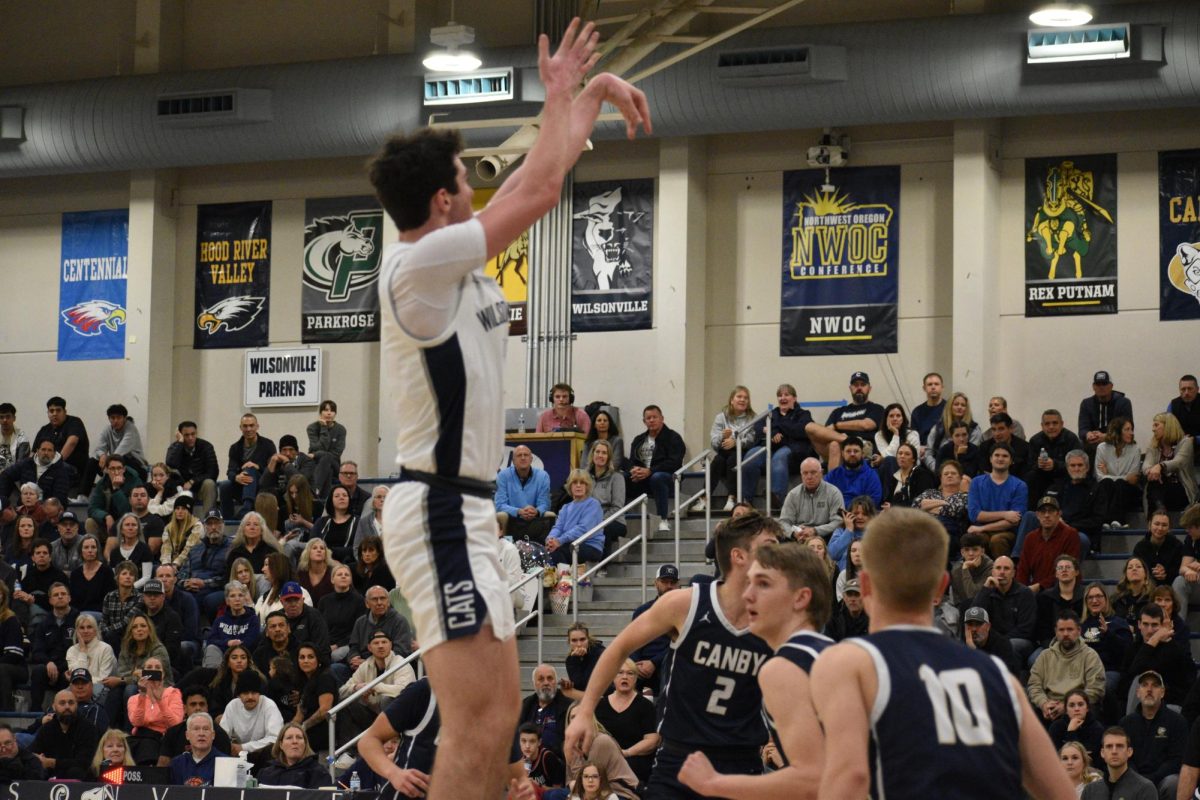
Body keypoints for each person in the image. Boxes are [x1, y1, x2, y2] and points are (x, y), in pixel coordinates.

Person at [371, 23, 648, 800]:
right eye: (466, 176)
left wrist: (585, 99)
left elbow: (539, 170)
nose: (477, 184)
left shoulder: (450, 252)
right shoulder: (418, 266)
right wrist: (562, 95)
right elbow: (539, 188)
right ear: (442, 199)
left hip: (469, 509)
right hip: (437, 506)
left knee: (498, 720)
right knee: (476, 725)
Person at [810, 507, 1075, 799]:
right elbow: (1062, 793)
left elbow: (850, 778)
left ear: (864, 585)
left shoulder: (849, 664)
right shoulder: (998, 677)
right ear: (942, 587)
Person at [565, 514, 779, 797]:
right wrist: (586, 711)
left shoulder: (776, 616)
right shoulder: (685, 603)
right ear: (739, 556)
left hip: (742, 759)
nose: (780, 554)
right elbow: (619, 648)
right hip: (681, 757)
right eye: (770, 546)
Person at [679, 541, 833, 800]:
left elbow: (812, 780)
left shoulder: (783, 668)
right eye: (748, 582)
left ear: (801, 598)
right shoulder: (831, 651)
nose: (747, 595)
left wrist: (714, 783)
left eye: (763, 584)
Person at [337, 629, 417, 747]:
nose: (380, 646)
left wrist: (376, 686)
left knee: (387, 699)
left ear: (391, 645)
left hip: (400, 719)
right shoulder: (366, 665)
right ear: (369, 647)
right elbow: (341, 691)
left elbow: (405, 691)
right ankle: (350, 751)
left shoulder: (401, 663)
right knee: (346, 701)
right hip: (374, 716)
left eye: (384, 642)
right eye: (376, 643)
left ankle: (394, 744)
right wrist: (356, 687)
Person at [1117, 670, 1186, 799]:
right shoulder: (1125, 723)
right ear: (1138, 692)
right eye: (1144, 685)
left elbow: (1176, 760)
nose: (1149, 689)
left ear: (1162, 692)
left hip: (1162, 781)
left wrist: (1151, 779)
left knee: (1173, 783)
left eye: (1155, 685)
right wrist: (1137, 779)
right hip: (1132, 780)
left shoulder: (1177, 721)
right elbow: (1123, 756)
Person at [1028, 610, 1106, 723]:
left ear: (1079, 631)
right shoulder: (1045, 656)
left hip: (1078, 710)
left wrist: (1067, 707)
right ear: (1055, 631)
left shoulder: (1090, 656)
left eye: (1070, 629)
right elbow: (1034, 685)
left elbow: (1096, 690)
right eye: (1061, 630)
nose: (1065, 634)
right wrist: (1043, 703)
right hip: (1049, 709)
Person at [592, 658, 658, 785]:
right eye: (620, 673)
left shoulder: (645, 706)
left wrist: (626, 753)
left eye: (630, 673)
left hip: (634, 762)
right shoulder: (600, 705)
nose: (625, 677)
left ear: (636, 678)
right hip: (604, 762)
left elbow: (652, 741)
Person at [626, 404, 687, 531]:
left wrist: (650, 471)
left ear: (662, 418)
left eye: (655, 417)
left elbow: (674, 463)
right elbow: (632, 461)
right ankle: (621, 518)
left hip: (667, 478)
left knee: (657, 477)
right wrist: (634, 471)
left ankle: (663, 519)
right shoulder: (639, 440)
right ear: (644, 421)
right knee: (622, 477)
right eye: (648, 418)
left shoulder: (673, 437)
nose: (652, 420)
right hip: (643, 479)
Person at [702, 385, 761, 510]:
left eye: (746, 398)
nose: (742, 400)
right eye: (739, 397)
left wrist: (736, 442)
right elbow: (714, 443)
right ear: (731, 400)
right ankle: (704, 497)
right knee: (718, 460)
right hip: (724, 453)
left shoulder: (754, 418)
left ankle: (732, 497)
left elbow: (752, 440)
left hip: (743, 453)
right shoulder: (721, 417)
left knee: (733, 458)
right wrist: (722, 437)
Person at [966, 444, 1029, 557]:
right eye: (997, 455)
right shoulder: (976, 482)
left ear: (1011, 461)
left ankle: (1004, 573)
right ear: (990, 459)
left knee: (997, 540)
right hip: (980, 530)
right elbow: (974, 515)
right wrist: (1005, 514)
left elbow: (1014, 520)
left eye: (1005, 456)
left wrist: (983, 527)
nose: (1000, 459)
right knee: (974, 539)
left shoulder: (1020, 486)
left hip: (1007, 532)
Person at [626, 564, 678, 695]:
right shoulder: (643, 610)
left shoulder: (683, 612)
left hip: (666, 662)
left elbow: (679, 644)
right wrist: (635, 665)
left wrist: (654, 663)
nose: (669, 586)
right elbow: (633, 642)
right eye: (664, 581)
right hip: (641, 662)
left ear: (678, 584)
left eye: (673, 582)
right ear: (656, 583)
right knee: (621, 674)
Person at [812, 371, 885, 460]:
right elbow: (827, 432)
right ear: (850, 388)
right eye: (855, 385)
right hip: (841, 451)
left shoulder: (877, 408)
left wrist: (837, 425)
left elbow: (866, 425)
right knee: (815, 432)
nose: (859, 388)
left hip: (865, 452)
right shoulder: (838, 412)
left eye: (863, 384)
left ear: (869, 388)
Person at [30, 688, 101, 779]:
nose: (67, 707)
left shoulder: (88, 728)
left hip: (79, 779)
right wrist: (37, 758)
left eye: (71, 703)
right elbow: (32, 751)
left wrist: (52, 763)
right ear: (54, 707)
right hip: (51, 776)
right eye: (62, 703)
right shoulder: (47, 728)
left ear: (76, 705)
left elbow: (83, 762)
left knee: (75, 771)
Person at [1017, 496, 1084, 593]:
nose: (1047, 515)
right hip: (1037, 592)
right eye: (1043, 512)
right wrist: (1021, 591)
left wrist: (1040, 586)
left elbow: (1069, 570)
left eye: (1051, 511)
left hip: (1064, 591)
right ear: (1037, 515)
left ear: (1059, 514)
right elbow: (1023, 570)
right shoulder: (1030, 538)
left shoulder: (1070, 535)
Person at [1080, 583, 1132, 703]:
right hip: (1084, 671)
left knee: (1101, 687)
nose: (1094, 600)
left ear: (1106, 599)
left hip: (1109, 670)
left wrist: (1108, 633)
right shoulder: (1081, 626)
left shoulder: (1118, 623)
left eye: (1099, 596)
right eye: (1090, 597)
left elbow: (1127, 651)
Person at [29, 582, 79, 708]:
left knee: (68, 675)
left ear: (69, 598)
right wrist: (48, 663)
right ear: (50, 600)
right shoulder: (44, 624)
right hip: (49, 668)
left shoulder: (79, 620)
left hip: (69, 667)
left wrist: (63, 667)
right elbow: (37, 652)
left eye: (63, 594)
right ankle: (35, 711)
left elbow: (82, 650)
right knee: (38, 671)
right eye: (56, 595)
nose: (60, 597)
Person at [218, 668, 283, 765]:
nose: (250, 697)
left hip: (263, 757)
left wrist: (244, 747)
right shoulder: (232, 706)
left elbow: (275, 738)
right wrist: (231, 747)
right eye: (245, 693)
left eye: (254, 693)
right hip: (239, 756)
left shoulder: (269, 705)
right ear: (239, 695)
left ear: (259, 693)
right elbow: (222, 736)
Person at [495, 445, 556, 543]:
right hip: (512, 520)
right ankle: (509, 549)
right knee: (502, 516)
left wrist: (536, 511)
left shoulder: (543, 476)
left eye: (526, 455)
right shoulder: (503, 476)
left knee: (549, 516)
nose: (523, 458)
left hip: (535, 520)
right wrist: (519, 511)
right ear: (513, 461)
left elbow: (545, 503)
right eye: (519, 455)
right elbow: (499, 505)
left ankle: (541, 550)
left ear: (531, 459)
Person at [546, 469, 604, 566]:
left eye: (582, 483)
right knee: (550, 551)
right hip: (568, 544)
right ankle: (563, 578)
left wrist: (559, 541)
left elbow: (583, 529)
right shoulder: (565, 507)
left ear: (587, 486)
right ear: (570, 486)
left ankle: (566, 578)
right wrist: (550, 540)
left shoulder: (593, 504)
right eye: (575, 483)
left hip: (590, 545)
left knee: (559, 551)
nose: (578, 485)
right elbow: (558, 527)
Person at [777, 457, 843, 542]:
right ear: (801, 475)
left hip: (824, 537)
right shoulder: (793, 495)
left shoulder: (834, 493)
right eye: (805, 473)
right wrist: (794, 533)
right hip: (799, 537)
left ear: (821, 473)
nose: (809, 477)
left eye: (813, 472)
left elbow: (838, 521)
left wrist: (815, 531)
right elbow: (783, 522)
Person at [1081, 727, 1156, 800]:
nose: (1114, 751)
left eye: (1119, 746)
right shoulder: (1090, 790)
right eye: (1109, 746)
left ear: (1129, 752)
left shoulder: (1144, 788)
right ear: (1102, 753)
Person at [1143, 412, 1197, 512]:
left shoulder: (1186, 442)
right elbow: (1146, 465)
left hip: (1180, 488)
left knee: (1156, 488)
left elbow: (1178, 462)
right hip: (1158, 489)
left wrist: (1160, 466)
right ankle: (1160, 509)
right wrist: (1151, 471)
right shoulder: (1153, 445)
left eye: (1156, 425)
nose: (1153, 429)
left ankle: (1158, 512)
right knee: (1155, 483)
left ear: (1168, 426)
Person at [1094, 417, 1141, 528]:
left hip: (1127, 489)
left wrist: (1108, 474)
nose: (1131, 433)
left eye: (1131, 429)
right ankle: (1107, 522)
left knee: (1120, 484)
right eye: (1127, 429)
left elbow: (1133, 478)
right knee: (1107, 483)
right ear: (1117, 431)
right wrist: (1120, 477)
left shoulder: (1135, 448)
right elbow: (1100, 477)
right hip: (1108, 487)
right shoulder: (1102, 448)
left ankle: (1115, 520)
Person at [520, 664, 574, 756]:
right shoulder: (525, 706)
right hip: (528, 763)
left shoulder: (569, 707)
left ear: (556, 682)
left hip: (558, 763)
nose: (546, 683)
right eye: (541, 679)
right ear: (534, 684)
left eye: (550, 678)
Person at [924, 392, 983, 470]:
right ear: (950, 407)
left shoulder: (974, 429)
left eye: (963, 405)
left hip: (966, 471)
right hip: (938, 471)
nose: (959, 407)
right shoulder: (937, 428)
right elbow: (928, 453)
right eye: (956, 404)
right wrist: (939, 469)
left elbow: (972, 455)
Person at [256, 722, 326, 788]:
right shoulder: (265, 773)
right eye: (289, 738)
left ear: (305, 744)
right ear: (281, 745)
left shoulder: (318, 772)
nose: (295, 741)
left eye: (299, 737)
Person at [1078, 371, 1133, 454]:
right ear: (1093, 387)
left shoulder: (1123, 403)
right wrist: (1088, 434)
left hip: (1116, 444)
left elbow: (1128, 430)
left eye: (1104, 384)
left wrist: (1106, 437)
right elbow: (1082, 429)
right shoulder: (1086, 404)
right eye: (1098, 384)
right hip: (1093, 445)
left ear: (1111, 386)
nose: (1101, 387)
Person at [824, 436, 882, 509]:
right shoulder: (833, 475)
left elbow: (874, 501)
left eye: (856, 451)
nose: (852, 454)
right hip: (836, 514)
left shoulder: (871, 476)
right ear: (842, 453)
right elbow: (823, 495)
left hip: (861, 516)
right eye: (848, 451)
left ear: (862, 454)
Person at [169, 711, 225, 786]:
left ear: (213, 735)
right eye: (196, 729)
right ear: (187, 735)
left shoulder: (225, 763)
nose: (201, 733)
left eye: (206, 729)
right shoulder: (177, 763)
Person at [962, 606, 1021, 675]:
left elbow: (1003, 676)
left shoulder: (1002, 644)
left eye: (978, 624)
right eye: (970, 624)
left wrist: (973, 650)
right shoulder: (961, 643)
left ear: (988, 626)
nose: (974, 629)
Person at [1133, 509, 1184, 586]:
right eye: (1157, 524)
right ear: (1149, 525)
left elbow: (1180, 570)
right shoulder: (1140, 547)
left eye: (1164, 525)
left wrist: (1166, 573)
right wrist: (1153, 574)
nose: (1160, 528)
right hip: (1147, 587)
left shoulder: (1177, 546)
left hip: (1171, 588)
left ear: (1169, 528)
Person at [1050, 690, 1105, 762]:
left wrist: (1071, 733)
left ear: (1087, 708)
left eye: (1080, 704)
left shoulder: (1097, 728)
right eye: (1072, 705)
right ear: (1066, 710)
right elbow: (1055, 757)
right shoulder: (1056, 727)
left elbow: (1087, 760)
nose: (1076, 709)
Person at [827, 495, 877, 569]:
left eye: (864, 514)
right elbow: (832, 555)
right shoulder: (841, 531)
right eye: (856, 513)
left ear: (871, 516)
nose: (860, 517)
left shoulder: (877, 534)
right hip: (844, 575)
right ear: (849, 514)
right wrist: (848, 531)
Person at [879, 442, 934, 509]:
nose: (902, 456)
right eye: (900, 453)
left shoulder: (922, 475)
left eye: (907, 454)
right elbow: (889, 501)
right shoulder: (895, 477)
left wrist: (894, 507)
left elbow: (921, 502)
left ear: (913, 459)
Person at [160, 493, 203, 570]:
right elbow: (166, 547)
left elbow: (189, 549)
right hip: (172, 564)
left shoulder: (197, 526)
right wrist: (166, 565)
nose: (179, 511)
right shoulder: (168, 527)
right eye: (177, 508)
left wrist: (176, 564)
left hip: (190, 563)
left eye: (183, 508)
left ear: (189, 511)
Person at [520, 722, 566, 790]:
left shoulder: (548, 758)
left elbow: (558, 791)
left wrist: (539, 786)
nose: (527, 746)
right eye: (523, 741)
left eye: (532, 741)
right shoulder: (518, 758)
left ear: (539, 742)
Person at [1111, 556, 1154, 626]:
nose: (1134, 569)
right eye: (1130, 567)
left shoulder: (1153, 598)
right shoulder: (1116, 599)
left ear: (1145, 574)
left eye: (1138, 567)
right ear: (1126, 575)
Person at [583, 408, 625, 473]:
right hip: (591, 475)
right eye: (599, 420)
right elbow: (583, 464)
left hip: (610, 474)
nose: (602, 422)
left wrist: (600, 473)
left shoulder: (617, 441)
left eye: (605, 420)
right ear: (594, 424)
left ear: (609, 424)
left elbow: (616, 464)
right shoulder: (588, 442)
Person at [910, 372, 946, 446]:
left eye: (936, 384)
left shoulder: (949, 408)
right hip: (922, 451)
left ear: (942, 387)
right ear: (924, 388)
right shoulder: (917, 412)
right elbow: (913, 437)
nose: (933, 387)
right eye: (929, 384)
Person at [0, 403, 30, 473]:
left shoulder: (22, 438)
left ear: (14, 418)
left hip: (12, 479)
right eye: (1, 417)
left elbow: (20, 465)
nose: (4, 420)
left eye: (8, 417)